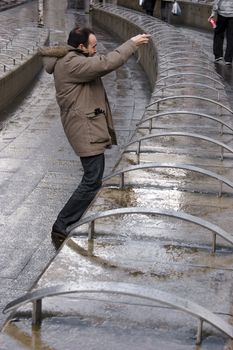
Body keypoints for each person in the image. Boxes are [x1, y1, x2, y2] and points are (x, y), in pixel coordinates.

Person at [39, 27, 150, 241]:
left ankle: (68, 220)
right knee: (91, 179)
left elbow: (100, 60)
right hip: (84, 128)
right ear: (81, 47)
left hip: (87, 125)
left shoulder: (73, 57)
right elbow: (104, 63)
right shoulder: (72, 63)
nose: (96, 49)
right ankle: (62, 224)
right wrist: (132, 44)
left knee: (93, 177)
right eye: (93, 46)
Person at [208, 0, 233, 65]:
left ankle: (218, 56)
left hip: (222, 14)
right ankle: (228, 59)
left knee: (218, 34)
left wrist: (213, 13)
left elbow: (216, 1)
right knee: (231, 37)